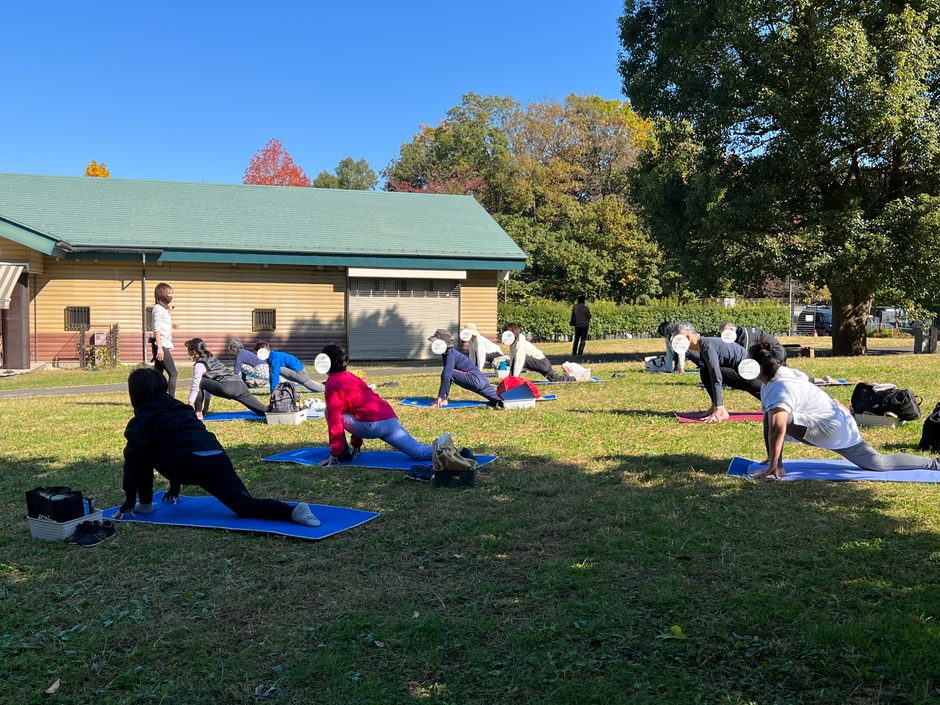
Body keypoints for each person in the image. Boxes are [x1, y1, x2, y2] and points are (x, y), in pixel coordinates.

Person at [114, 368, 320, 526]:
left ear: (136, 393)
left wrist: (130, 499)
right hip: (217, 459)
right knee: (245, 505)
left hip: (189, 464)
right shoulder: (182, 409)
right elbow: (182, 441)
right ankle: (294, 511)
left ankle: (145, 504)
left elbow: (134, 464)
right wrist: (174, 488)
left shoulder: (140, 422)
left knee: (142, 451)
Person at [748, 340, 940, 478]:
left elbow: (777, 427)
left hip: (831, 427)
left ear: (760, 369)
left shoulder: (778, 387)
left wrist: (774, 463)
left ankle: (776, 467)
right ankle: (935, 463)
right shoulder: (778, 375)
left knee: (775, 419)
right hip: (839, 423)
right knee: (878, 462)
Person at [318, 344, 444, 465]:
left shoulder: (332, 383)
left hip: (371, 426)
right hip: (390, 420)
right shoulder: (353, 377)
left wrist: (336, 451)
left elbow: (335, 418)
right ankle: (450, 451)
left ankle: (343, 454)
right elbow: (358, 407)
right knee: (419, 452)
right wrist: (356, 443)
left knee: (330, 412)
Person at [671, 321, 761, 422]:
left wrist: (719, 407)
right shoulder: (703, 346)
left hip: (754, 379)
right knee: (705, 372)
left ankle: (720, 410)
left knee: (708, 372)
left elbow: (716, 377)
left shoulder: (708, 346)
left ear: (688, 337)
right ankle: (715, 406)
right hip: (748, 377)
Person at [185, 338, 268, 418]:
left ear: (194, 352)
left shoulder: (200, 365)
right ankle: (274, 409)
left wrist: (189, 406)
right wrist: (206, 407)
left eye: (188, 350)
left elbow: (196, 386)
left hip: (228, 387)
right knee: (263, 410)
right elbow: (208, 386)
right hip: (240, 384)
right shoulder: (211, 358)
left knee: (199, 382)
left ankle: (198, 413)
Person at [428, 329, 502, 408]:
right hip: (481, 380)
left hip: (475, 379)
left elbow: (447, 376)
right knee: (500, 400)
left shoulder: (450, 355)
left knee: (448, 373)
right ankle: (444, 399)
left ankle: (443, 400)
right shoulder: (447, 353)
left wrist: (441, 397)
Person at [502, 323, 575, 382]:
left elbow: (519, 363)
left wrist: (514, 379)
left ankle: (514, 380)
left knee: (518, 358)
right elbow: (512, 360)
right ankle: (575, 378)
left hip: (542, 363)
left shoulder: (521, 345)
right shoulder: (513, 344)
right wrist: (509, 377)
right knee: (554, 379)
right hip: (541, 363)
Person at [254, 341, 325, 393]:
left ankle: (326, 388)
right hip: (301, 373)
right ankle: (326, 387)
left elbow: (274, 375)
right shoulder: (273, 356)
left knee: (274, 369)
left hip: (300, 375)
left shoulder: (274, 357)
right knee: (317, 388)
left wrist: (273, 391)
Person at [151, 282, 178, 397]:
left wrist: (172, 326)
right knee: (173, 373)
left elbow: (163, 326)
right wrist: (160, 348)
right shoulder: (158, 309)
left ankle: (156, 397)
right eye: (169, 293)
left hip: (162, 343)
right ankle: (171, 399)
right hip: (161, 344)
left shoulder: (163, 309)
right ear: (162, 294)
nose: (170, 296)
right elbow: (156, 329)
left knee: (158, 374)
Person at [718, 321, 787, 363]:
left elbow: (745, 356)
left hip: (776, 355)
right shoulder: (739, 334)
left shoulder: (745, 335)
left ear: (731, 329)